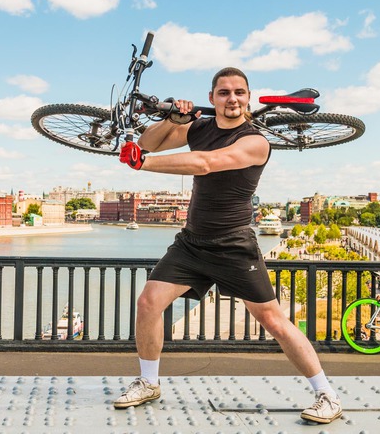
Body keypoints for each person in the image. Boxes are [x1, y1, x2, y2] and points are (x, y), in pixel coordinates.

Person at [114, 67, 342, 425]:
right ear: (212, 98)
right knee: (148, 303)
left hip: (234, 245)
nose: (232, 99)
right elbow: (147, 142)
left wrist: (144, 165)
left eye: (239, 92)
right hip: (191, 244)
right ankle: (149, 382)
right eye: (223, 92)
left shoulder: (255, 141)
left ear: (248, 98)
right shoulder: (200, 128)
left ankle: (326, 394)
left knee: (274, 321)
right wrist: (173, 120)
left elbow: (206, 163)